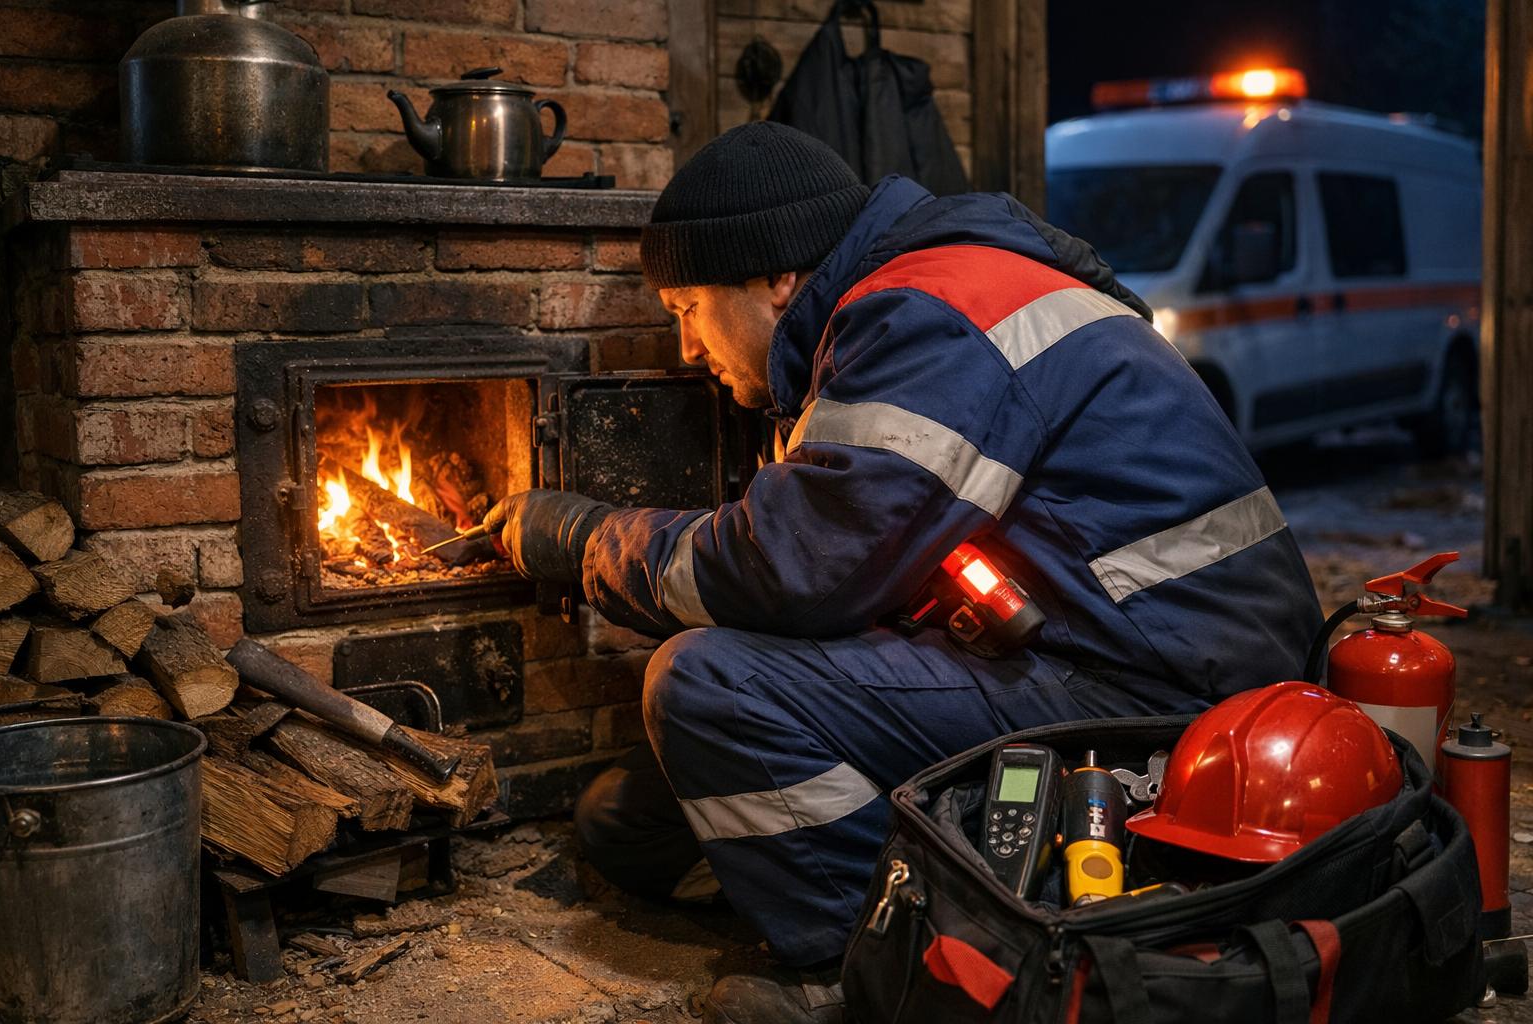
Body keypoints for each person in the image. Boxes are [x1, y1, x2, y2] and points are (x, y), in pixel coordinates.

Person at [484, 122, 1321, 1024]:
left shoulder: (930, 314)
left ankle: (870, 974)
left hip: (1174, 712)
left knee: (706, 685)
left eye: (687, 306)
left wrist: (580, 539)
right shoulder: (923, 296)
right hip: (1096, 653)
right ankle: (932, 877)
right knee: (628, 824)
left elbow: (794, 570)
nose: (687, 346)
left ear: (777, 280)